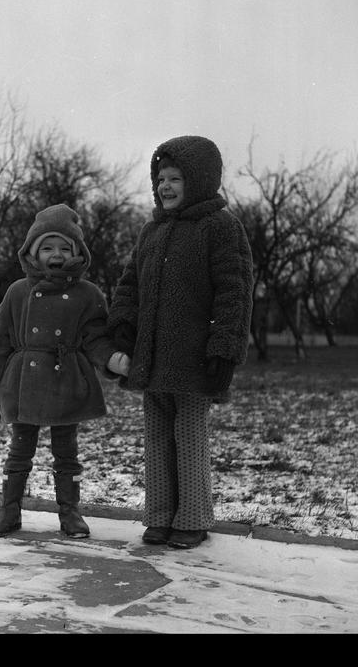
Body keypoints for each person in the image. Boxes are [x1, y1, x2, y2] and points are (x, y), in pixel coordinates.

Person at [107, 135, 253, 549]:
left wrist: (224, 348)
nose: (165, 187)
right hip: (151, 360)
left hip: (193, 361)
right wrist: (122, 325)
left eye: (175, 178)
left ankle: (191, 519)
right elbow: (129, 285)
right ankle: (158, 517)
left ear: (201, 180)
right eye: (160, 178)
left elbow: (234, 292)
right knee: (155, 439)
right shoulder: (151, 231)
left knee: (188, 438)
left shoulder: (220, 228)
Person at [0, 203, 130, 539]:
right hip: (24, 381)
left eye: (63, 247)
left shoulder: (88, 295)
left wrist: (111, 358)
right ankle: (9, 510)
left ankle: (70, 512)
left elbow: (95, 337)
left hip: (66, 377)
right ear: (32, 252)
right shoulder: (18, 292)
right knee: (20, 449)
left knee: (66, 451)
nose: (55, 254)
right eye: (47, 247)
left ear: (77, 253)